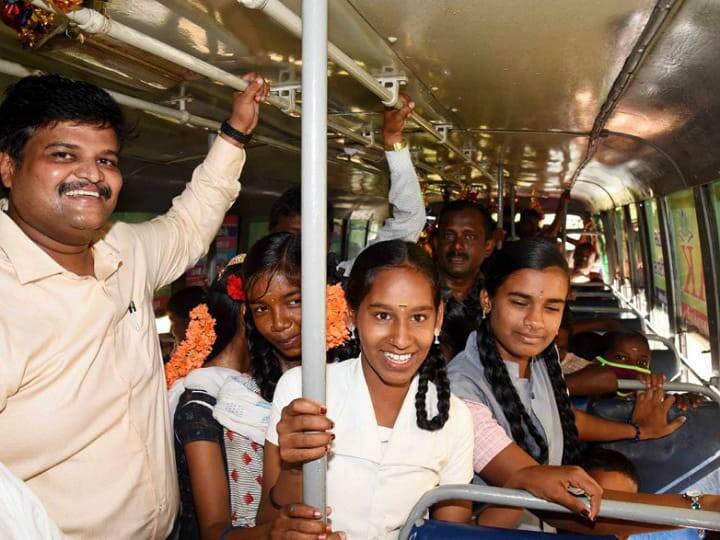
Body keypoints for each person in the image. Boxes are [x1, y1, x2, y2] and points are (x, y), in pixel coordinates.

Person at [0, 72, 268, 538]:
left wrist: (234, 134)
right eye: (63, 155)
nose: (91, 174)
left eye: (106, 160)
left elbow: (189, 223)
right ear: (8, 168)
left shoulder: (125, 251)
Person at [258, 240, 607, 539]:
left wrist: (521, 486)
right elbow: (267, 523)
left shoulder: (454, 418)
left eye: (419, 318)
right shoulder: (304, 390)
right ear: (351, 316)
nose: (401, 337)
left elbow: (450, 533)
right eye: (382, 316)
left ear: (438, 320)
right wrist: (294, 465)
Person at [447, 238, 719, 533]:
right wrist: (700, 507)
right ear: (488, 300)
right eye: (519, 302)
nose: (535, 322)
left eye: (551, 308)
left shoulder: (541, 354)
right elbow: (545, 492)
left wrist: (638, 430)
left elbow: (563, 418)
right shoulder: (460, 393)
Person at [269, 94, 427, 277]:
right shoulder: (247, 286)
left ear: (328, 238)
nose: (303, 247)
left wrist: (393, 138)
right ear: (270, 236)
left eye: (311, 237)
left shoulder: (346, 280)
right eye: (289, 237)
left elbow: (410, 220)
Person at [432, 199, 495, 315]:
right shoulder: (417, 291)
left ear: (488, 247)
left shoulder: (495, 298)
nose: (457, 246)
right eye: (448, 236)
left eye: (469, 237)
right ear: (436, 243)